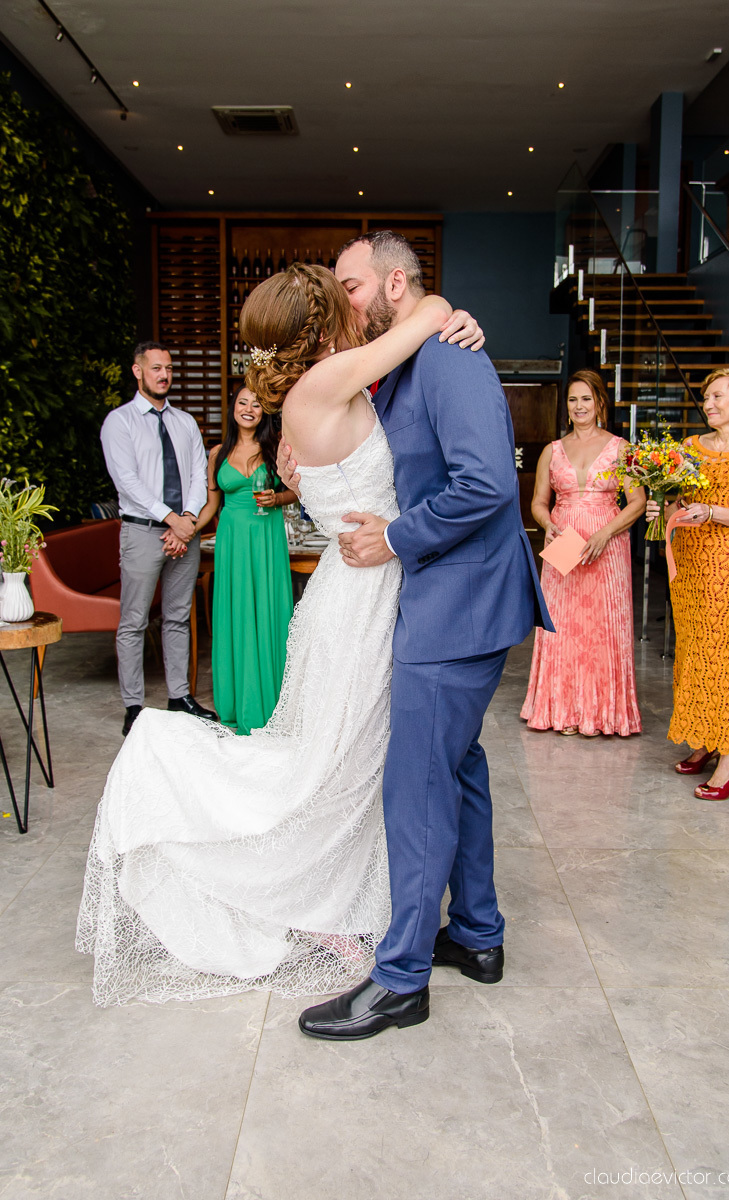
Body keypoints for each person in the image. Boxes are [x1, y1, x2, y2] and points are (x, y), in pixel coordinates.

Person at [76, 265, 483, 1007]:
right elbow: (426, 310)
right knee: (336, 763)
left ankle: (344, 904)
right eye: (346, 297)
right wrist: (453, 316)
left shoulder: (308, 396)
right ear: (325, 321)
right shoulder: (326, 385)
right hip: (361, 596)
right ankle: (320, 905)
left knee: (344, 755)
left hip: (349, 589)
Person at [280, 231, 553, 1041]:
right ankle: (476, 935)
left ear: (395, 284)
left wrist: (394, 541)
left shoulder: (450, 358)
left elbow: (483, 485)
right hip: (437, 599)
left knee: (416, 784)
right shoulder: (404, 359)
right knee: (457, 766)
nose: (343, 301)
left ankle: (398, 980)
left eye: (352, 286)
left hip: (457, 604)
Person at [646, 366, 729, 800]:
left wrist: (712, 511)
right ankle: (704, 736)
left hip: (724, 562)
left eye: (718, 397)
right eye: (706, 397)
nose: (708, 404)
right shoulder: (690, 447)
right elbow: (680, 503)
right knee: (688, 648)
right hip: (686, 559)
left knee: (715, 654)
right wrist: (663, 512)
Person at [100, 342, 216, 737]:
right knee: (133, 621)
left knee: (178, 618)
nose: (164, 375)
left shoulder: (185, 423)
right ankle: (134, 706)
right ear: (138, 371)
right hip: (142, 533)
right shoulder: (120, 422)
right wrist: (172, 519)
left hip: (183, 532)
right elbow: (127, 482)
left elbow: (199, 477)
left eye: (168, 368)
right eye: (156, 368)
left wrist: (185, 521)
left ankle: (179, 696)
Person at [163, 386, 295, 734]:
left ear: (264, 410)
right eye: (242, 403)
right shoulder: (217, 454)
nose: (249, 409)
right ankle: (238, 703)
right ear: (233, 408)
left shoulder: (275, 447)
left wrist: (276, 498)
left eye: (256, 403)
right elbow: (210, 506)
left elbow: (297, 491)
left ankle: (271, 705)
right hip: (232, 542)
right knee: (235, 616)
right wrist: (186, 530)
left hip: (265, 540)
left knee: (267, 614)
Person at [520, 369, 644, 738]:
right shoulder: (552, 451)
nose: (579, 406)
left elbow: (637, 503)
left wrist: (605, 533)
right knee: (562, 626)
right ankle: (562, 709)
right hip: (564, 543)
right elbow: (538, 502)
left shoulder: (622, 448)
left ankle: (603, 713)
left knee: (603, 627)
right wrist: (548, 525)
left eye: (586, 399)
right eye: (573, 400)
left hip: (607, 544)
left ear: (599, 403)